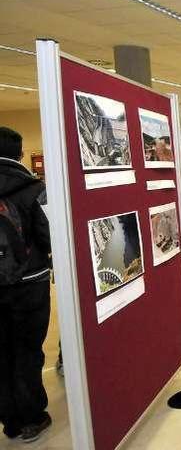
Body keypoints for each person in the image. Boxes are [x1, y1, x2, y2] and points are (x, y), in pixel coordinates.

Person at [0, 127, 53, 442]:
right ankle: (33, 417)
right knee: (28, 349)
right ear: (20, 154)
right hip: (29, 283)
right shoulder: (32, 189)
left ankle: (10, 421)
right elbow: (47, 236)